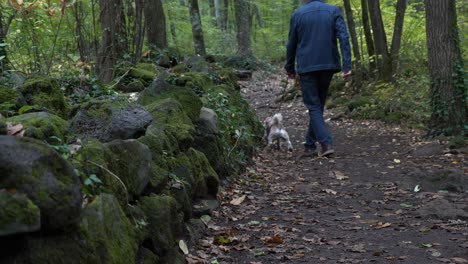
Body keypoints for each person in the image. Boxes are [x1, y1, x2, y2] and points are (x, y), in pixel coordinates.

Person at [285, 0, 352, 158]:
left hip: (307, 67)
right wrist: (347, 64)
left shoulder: (298, 15)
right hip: (328, 65)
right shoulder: (333, 11)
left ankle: (325, 143)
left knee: (314, 106)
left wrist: (289, 68)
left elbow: (291, 44)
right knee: (318, 105)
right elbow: (344, 38)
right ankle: (309, 146)